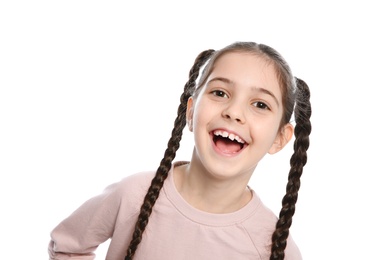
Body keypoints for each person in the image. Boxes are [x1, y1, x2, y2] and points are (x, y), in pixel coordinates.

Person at [48, 41, 312, 260]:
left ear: (280, 138)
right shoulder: (133, 195)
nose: (233, 112)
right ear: (190, 111)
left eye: (260, 104)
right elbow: (68, 247)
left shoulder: (276, 247)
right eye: (220, 92)